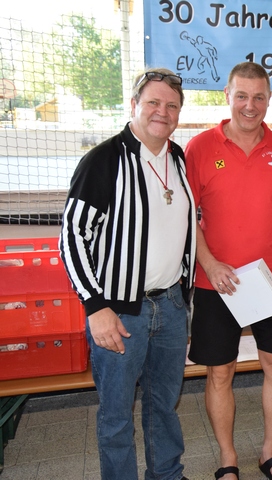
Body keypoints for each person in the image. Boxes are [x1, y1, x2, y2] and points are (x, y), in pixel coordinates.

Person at [59, 68, 196, 480]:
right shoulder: (102, 160)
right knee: (117, 415)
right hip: (119, 313)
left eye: (171, 105)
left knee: (164, 405)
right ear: (134, 105)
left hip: (171, 305)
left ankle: (167, 474)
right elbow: (72, 237)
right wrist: (95, 307)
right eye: (153, 102)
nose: (162, 112)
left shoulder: (177, 157)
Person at [184, 62, 272, 480]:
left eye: (259, 97)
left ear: (269, 99)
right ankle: (227, 458)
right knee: (220, 371)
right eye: (242, 95)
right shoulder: (200, 148)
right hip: (216, 282)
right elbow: (186, 217)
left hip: (271, 279)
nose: (250, 105)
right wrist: (209, 263)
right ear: (227, 95)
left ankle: (269, 453)